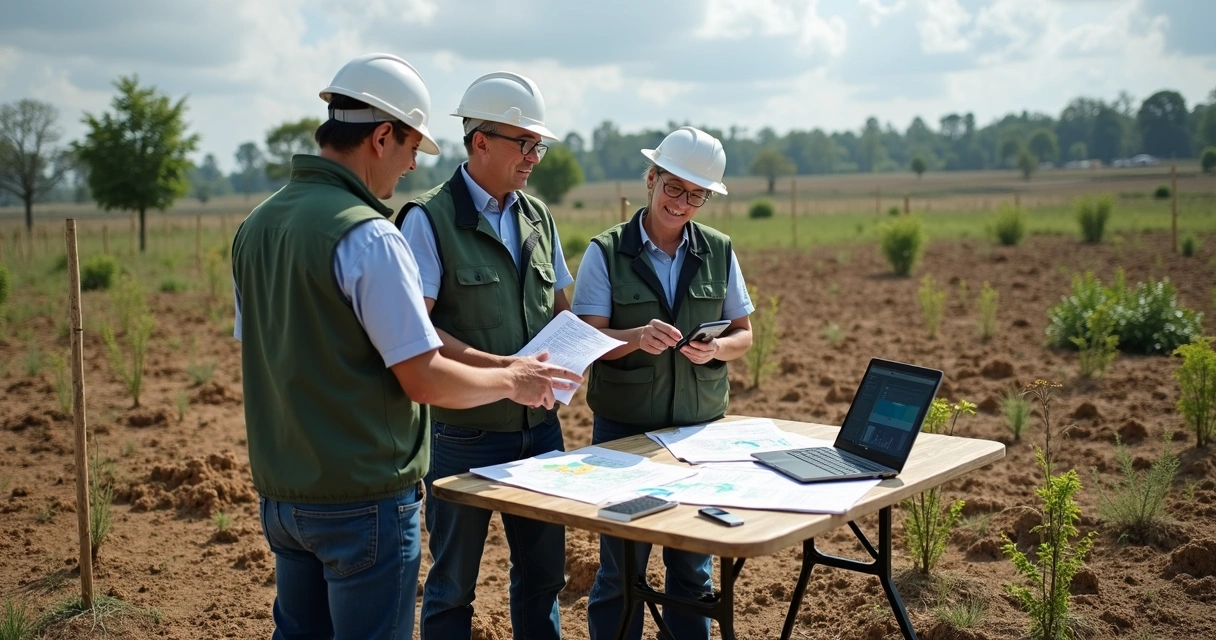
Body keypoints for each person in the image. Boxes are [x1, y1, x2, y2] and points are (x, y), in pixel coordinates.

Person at [231, 54, 580, 640]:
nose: (413, 163)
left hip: (283, 492)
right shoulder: (371, 234)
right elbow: (422, 377)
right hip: (363, 493)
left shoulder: (254, 227)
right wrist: (511, 378)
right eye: (412, 146)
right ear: (382, 136)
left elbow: (267, 353)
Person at [396, 71, 575, 640]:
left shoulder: (538, 216)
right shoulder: (427, 219)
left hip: (540, 430)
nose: (534, 158)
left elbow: (561, 310)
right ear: (481, 142)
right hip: (463, 435)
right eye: (525, 144)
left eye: (538, 146)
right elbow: (418, 329)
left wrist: (587, 347)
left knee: (544, 579)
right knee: (452, 587)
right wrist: (506, 371)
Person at [571, 126, 755, 640]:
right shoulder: (606, 252)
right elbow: (587, 340)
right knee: (621, 569)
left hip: (699, 432)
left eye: (697, 195)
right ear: (651, 179)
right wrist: (634, 337)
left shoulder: (719, 250)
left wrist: (716, 349)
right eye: (674, 187)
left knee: (693, 568)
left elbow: (744, 335)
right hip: (625, 434)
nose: (682, 203)